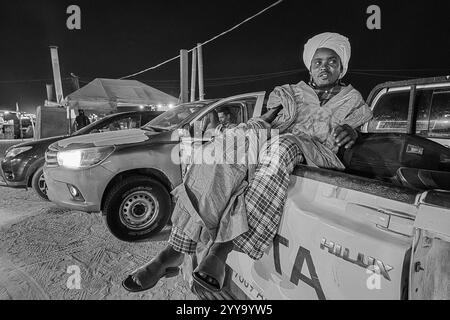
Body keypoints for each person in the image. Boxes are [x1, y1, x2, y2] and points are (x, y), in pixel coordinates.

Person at [122, 32, 373, 293]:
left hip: (315, 152)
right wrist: (241, 133)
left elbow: (362, 134)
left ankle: (222, 249)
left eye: (332, 61)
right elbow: (266, 120)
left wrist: (353, 133)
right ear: (310, 66)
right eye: (318, 61)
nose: (324, 66)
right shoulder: (291, 93)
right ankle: (173, 251)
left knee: (282, 145)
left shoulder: (354, 102)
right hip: (274, 141)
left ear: (342, 67)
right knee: (224, 148)